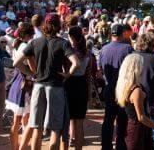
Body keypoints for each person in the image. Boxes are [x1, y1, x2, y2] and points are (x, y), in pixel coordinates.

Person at [14, 13, 80, 150]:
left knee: (36, 127)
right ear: (58, 26)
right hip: (55, 86)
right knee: (55, 128)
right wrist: (67, 74)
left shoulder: (35, 42)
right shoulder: (63, 43)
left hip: (38, 86)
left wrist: (31, 74)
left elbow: (16, 62)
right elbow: (76, 63)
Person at [115, 53, 154, 150]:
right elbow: (141, 117)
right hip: (137, 130)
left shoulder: (125, 86)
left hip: (135, 128)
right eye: (141, 65)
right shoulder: (136, 90)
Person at [99, 23, 133, 150]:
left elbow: (100, 70)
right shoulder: (127, 48)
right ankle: (120, 146)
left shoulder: (104, 49)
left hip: (109, 88)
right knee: (122, 120)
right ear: (122, 34)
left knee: (108, 119)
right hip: (122, 89)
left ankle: (106, 146)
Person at [6, 23, 34, 150]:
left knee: (22, 119)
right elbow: (21, 64)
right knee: (19, 120)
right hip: (22, 84)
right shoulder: (25, 46)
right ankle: (16, 147)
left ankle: (18, 146)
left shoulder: (18, 44)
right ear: (28, 35)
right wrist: (30, 73)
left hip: (18, 83)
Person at [64, 26, 91, 150]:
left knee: (66, 121)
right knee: (79, 123)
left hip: (69, 84)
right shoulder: (86, 52)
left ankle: (68, 142)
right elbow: (88, 73)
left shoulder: (68, 51)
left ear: (71, 37)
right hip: (82, 85)